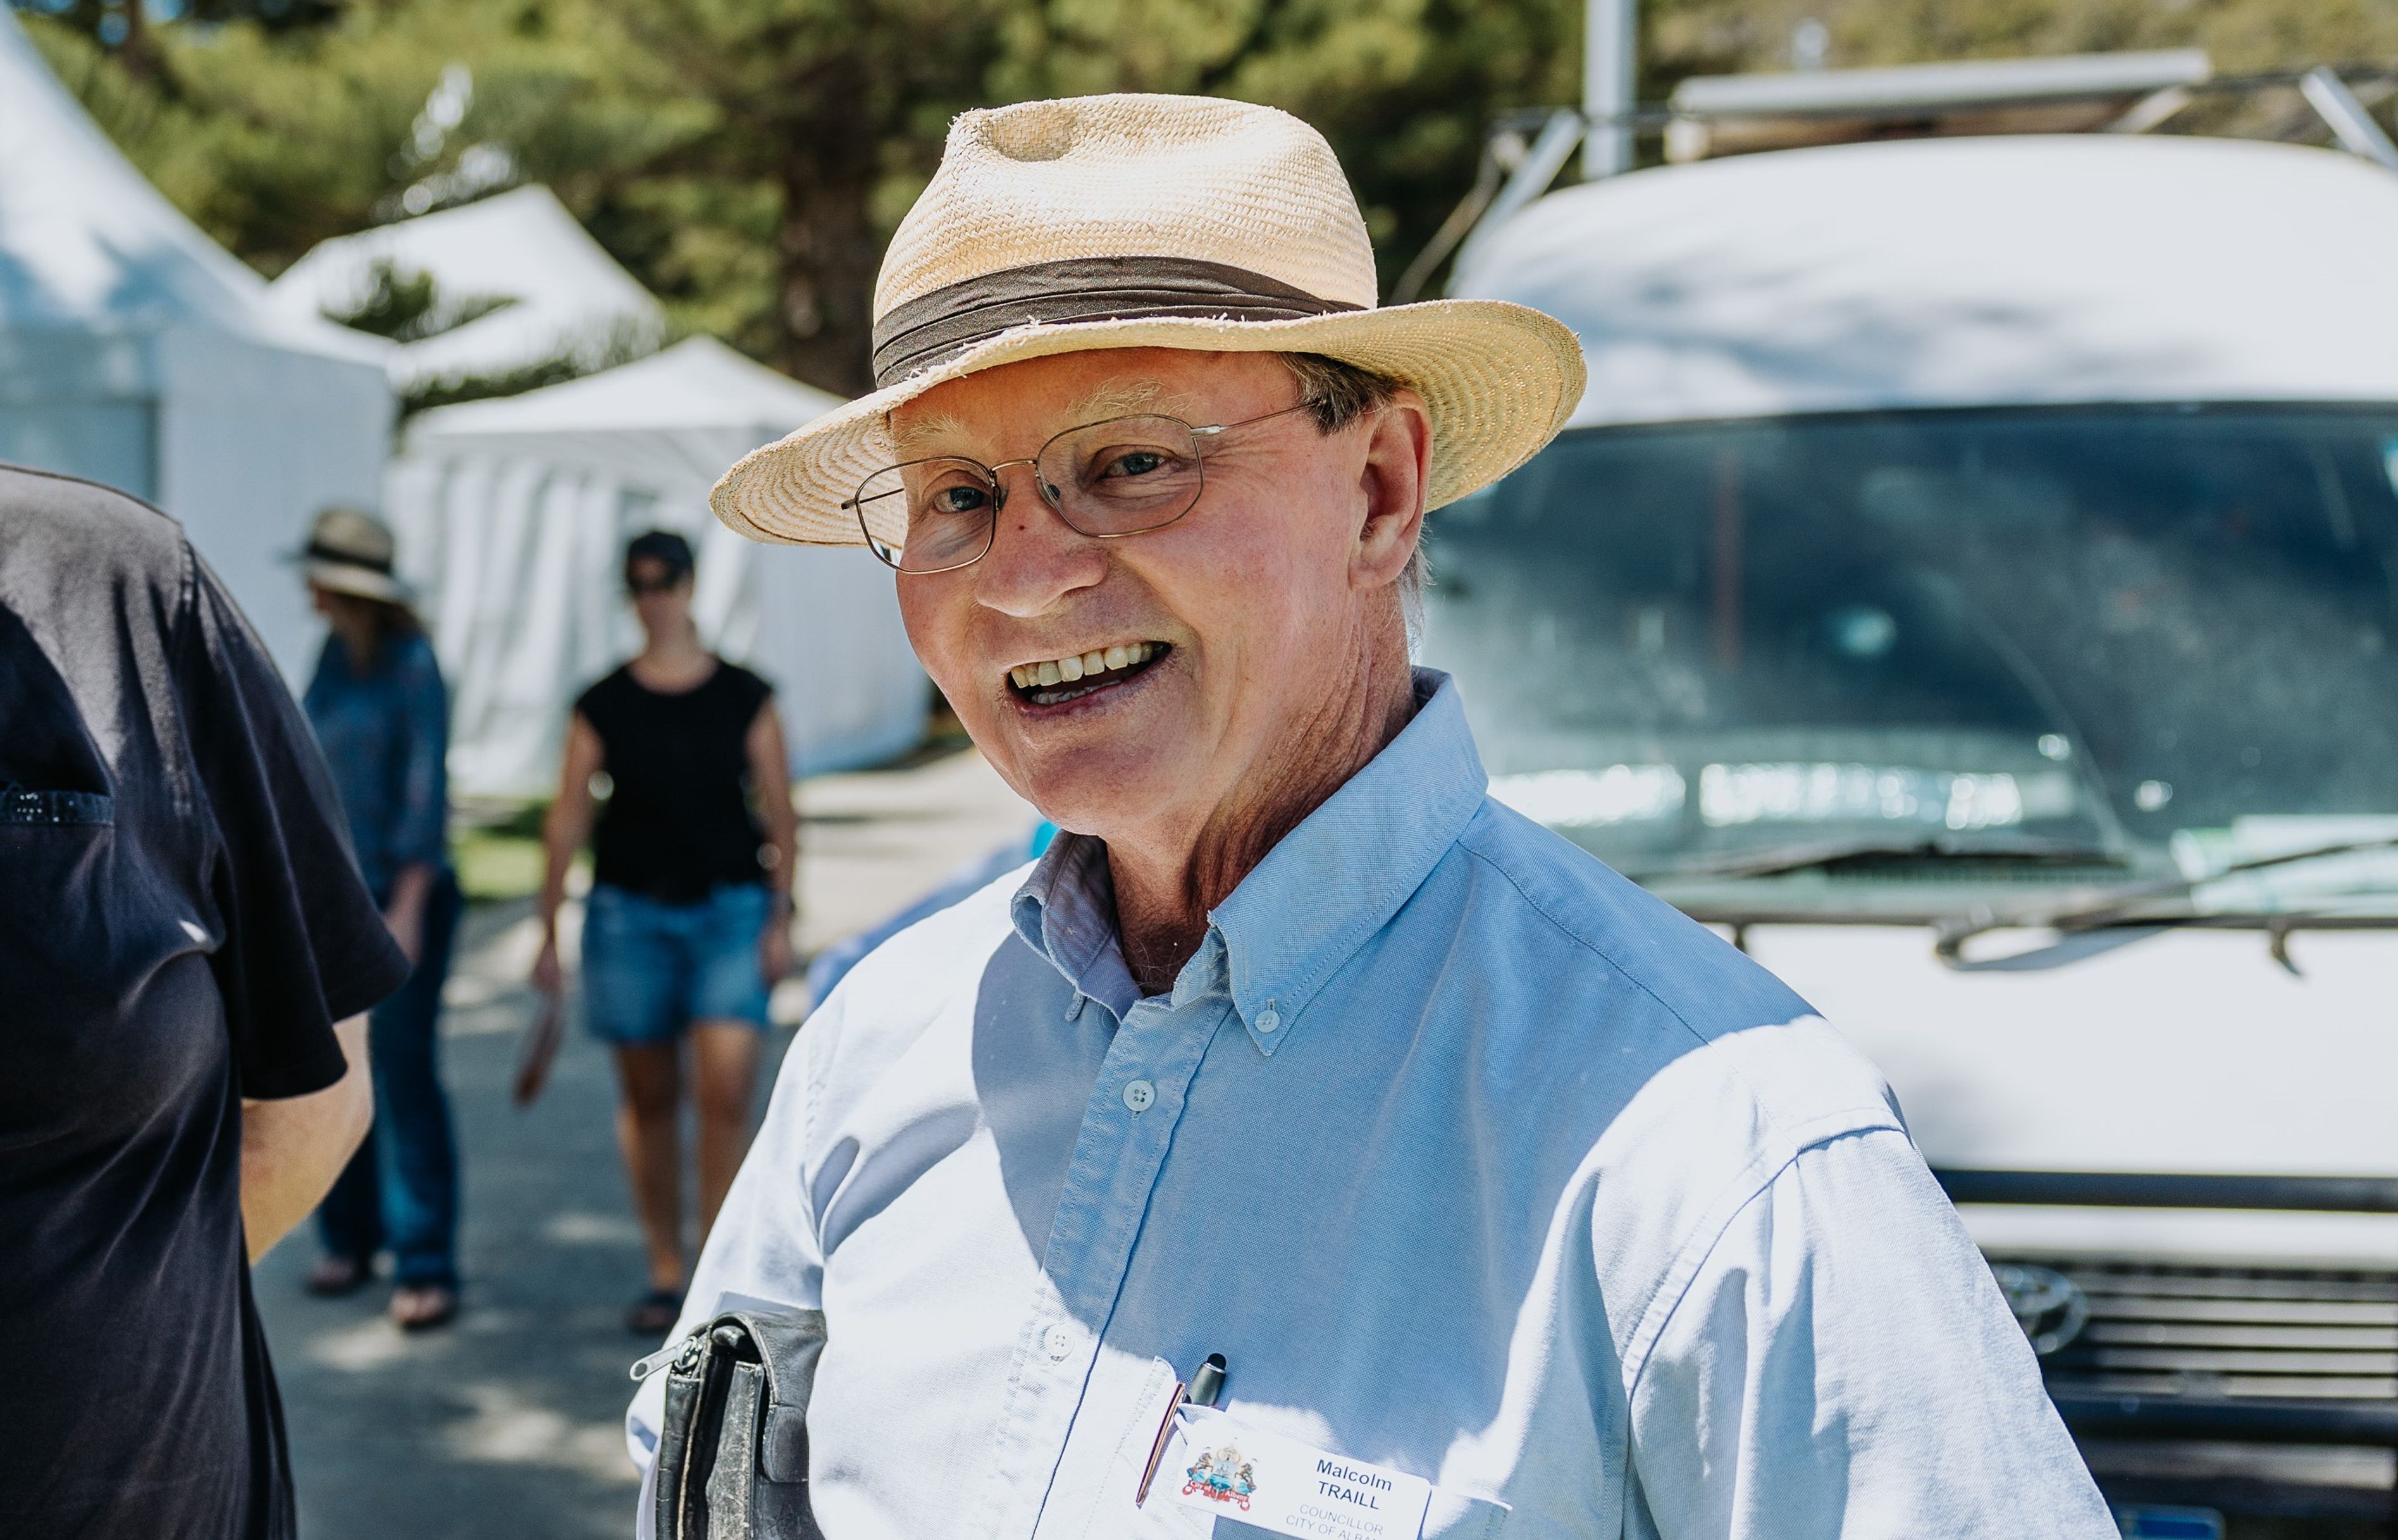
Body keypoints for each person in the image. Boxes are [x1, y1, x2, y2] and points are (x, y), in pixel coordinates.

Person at [624, 95, 2117, 1537]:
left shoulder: (1719, 1155)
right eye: (950, 496)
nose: (1019, 576)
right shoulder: (878, 1052)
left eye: (1131, 463)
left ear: (1383, 490)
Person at [0, 464, 405, 1539]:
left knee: (417, 1118)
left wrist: (132, 1307)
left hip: (154, 1503)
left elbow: (317, 1100)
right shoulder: (329, 657)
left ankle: (416, 1256)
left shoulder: (126, 592)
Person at [533, 529, 796, 1336]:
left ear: (690, 586)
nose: (655, 597)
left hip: (728, 912)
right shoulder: (602, 700)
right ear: (630, 592)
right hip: (628, 916)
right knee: (649, 1099)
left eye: (667, 581)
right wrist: (546, 926)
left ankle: (721, 1271)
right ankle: (664, 1269)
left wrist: (783, 912)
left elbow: (781, 809)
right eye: (640, 583)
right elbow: (569, 811)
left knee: (724, 1096)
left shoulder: (746, 694)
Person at [292, 507, 465, 1331]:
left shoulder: (410, 664)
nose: (307, 589)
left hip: (403, 895)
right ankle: (348, 1239)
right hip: (333, 895)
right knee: (335, 1073)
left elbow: (425, 795)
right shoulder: (332, 655)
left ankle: (425, 1258)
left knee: (402, 1071)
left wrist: (406, 907)